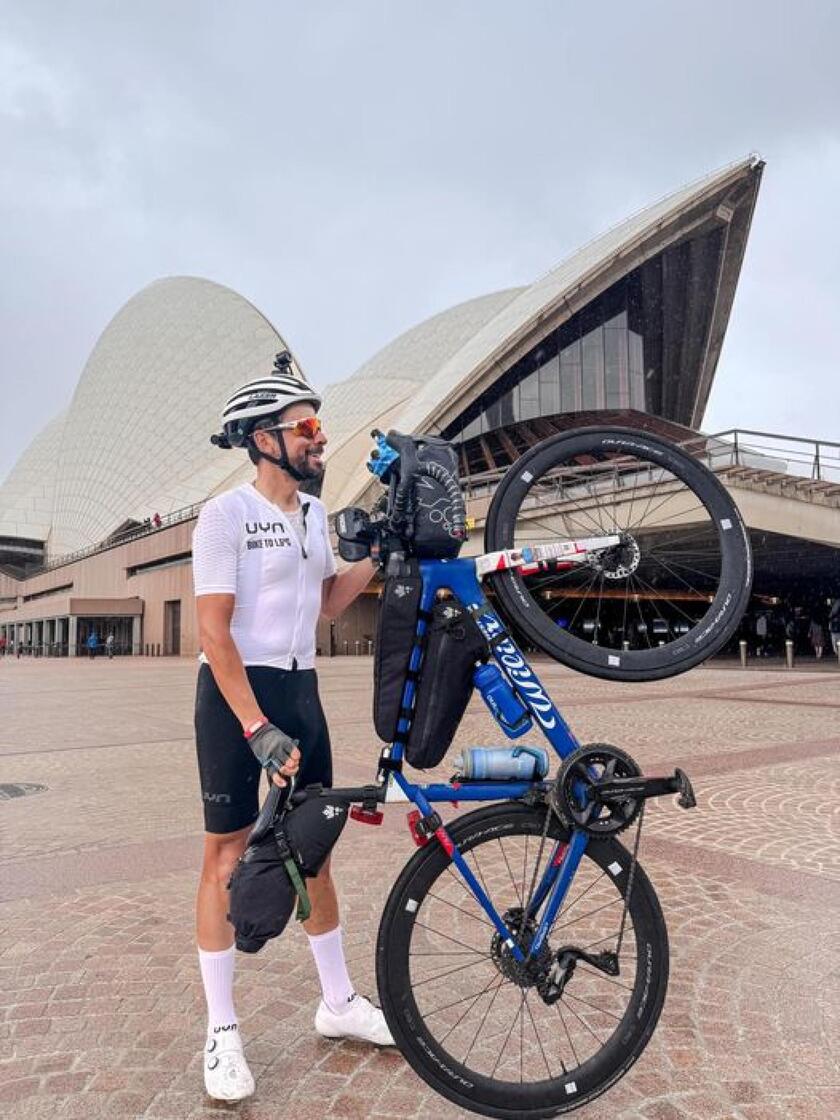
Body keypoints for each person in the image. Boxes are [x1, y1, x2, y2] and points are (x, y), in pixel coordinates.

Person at [192, 351, 392, 1103]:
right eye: (307, 427)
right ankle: (220, 1030)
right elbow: (213, 633)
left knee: (314, 850)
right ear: (263, 438)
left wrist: (372, 555)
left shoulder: (312, 516)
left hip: (302, 690)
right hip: (236, 696)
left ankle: (337, 1004)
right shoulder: (225, 515)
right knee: (226, 857)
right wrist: (254, 729)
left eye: (319, 426)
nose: (320, 439)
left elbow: (328, 605)